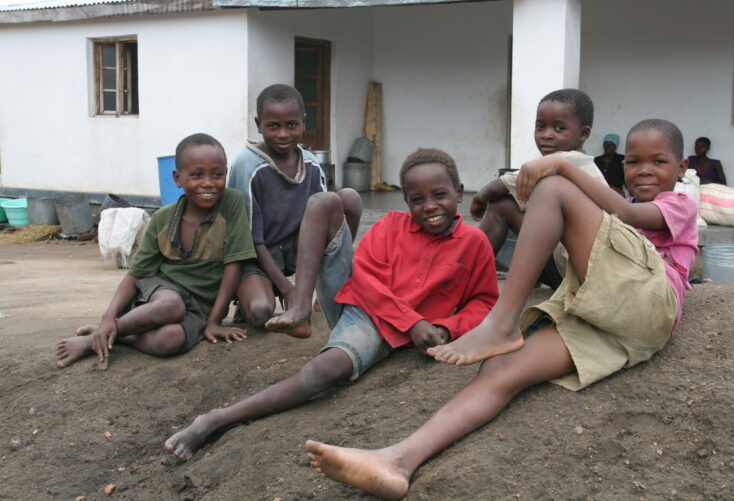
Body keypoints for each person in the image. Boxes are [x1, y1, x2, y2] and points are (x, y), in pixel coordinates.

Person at [305, 119, 698, 501]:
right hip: (610, 315)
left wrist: (560, 163)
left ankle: (503, 321)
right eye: (633, 162)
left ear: (681, 168)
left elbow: (626, 216)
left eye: (658, 162)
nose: (643, 170)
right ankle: (398, 461)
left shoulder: (680, 202)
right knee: (500, 369)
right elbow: (605, 218)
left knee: (555, 188)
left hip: (649, 303)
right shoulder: (619, 206)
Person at [164, 148, 499, 461]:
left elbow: (483, 300)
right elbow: (365, 278)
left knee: (328, 372)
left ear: (459, 191)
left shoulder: (474, 243)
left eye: (439, 195)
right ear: (405, 201)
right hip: (364, 312)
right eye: (417, 199)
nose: (429, 206)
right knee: (324, 202)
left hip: (407, 331)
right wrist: (411, 320)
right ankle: (217, 418)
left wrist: (446, 326)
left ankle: (218, 417)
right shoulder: (389, 227)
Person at [55, 133, 255, 369]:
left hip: (200, 306)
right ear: (177, 178)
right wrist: (108, 316)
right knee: (171, 305)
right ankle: (98, 335)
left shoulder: (231, 203)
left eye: (218, 174)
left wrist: (214, 321)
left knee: (170, 341)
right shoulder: (162, 219)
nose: (208, 183)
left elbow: (233, 266)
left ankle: (112, 335)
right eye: (196, 175)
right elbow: (136, 275)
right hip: (164, 292)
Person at [227, 84, 361, 332]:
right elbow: (249, 240)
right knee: (259, 312)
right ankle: (253, 296)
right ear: (258, 124)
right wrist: (289, 289)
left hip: (299, 254)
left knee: (349, 198)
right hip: (258, 257)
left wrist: (303, 289)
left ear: (303, 122)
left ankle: (334, 283)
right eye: (272, 126)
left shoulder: (310, 163)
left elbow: (326, 220)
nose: (283, 134)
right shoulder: (246, 166)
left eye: (291, 125)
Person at [471, 88, 606, 289]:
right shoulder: (586, 164)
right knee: (532, 208)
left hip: (573, 272)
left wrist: (479, 200)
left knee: (502, 206)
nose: (546, 135)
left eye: (559, 129)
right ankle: (531, 279)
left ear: (583, 133)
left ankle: (468, 278)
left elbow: (496, 188)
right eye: (540, 127)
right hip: (580, 271)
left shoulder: (566, 160)